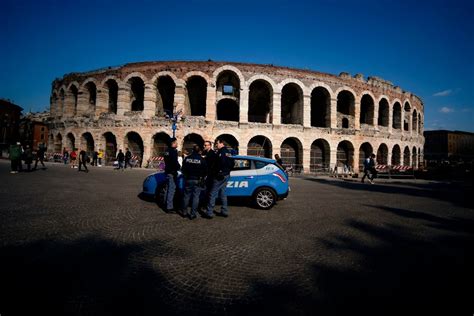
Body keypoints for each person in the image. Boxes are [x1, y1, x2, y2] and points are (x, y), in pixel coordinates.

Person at [205, 138, 234, 218]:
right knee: (223, 193)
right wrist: (227, 171)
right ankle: (224, 211)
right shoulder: (229, 152)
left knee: (212, 193)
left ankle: (209, 212)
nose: (216, 145)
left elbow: (220, 163)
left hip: (220, 176)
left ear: (221, 143)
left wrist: (219, 172)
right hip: (226, 175)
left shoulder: (221, 152)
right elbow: (232, 163)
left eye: (217, 143)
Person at [181, 145, 207, 220]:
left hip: (188, 179)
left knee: (186, 196)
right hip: (197, 180)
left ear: (192, 150)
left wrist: (186, 176)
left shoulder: (187, 158)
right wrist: (202, 177)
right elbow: (205, 171)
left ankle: (184, 212)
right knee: (196, 197)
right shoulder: (202, 159)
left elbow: (183, 169)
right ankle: (193, 214)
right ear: (199, 151)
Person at [163, 137, 180, 212]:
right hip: (172, 172)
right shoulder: (173, 151)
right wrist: (179, 167)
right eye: (176, 142)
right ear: (172, 143)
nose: (177, 144)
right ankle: (169, 207)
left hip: (167, 171)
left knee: (167, 189)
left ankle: (165, 204)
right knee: (171, 189)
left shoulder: (166, 151)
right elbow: (174, 162)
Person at [202, 140, 217, 206]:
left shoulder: (212, 154)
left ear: (210, 146)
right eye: (204, 145)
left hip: (210, 175)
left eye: (205, 145)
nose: (204, 146)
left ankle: (207, 205)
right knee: (206, 190)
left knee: (208, 191)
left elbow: (211, 166)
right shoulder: (206, 153)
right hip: (207, 174)